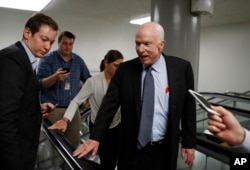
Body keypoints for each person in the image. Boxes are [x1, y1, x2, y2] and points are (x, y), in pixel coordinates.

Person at [72, 22, 196, 170]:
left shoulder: (181, 69)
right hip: (131, 150)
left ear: (161, 45)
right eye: (137, 43)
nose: (140, 49)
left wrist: (189, 142)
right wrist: (95, 137)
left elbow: (188, 108)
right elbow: (109, 105)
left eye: (146, 44)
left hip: (165, 149)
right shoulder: (125, 70)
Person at [0, 13, 58, 170]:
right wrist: (15, 163)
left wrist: (34, 109)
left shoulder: (25, 59)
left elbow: (15, 103)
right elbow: (4, 118)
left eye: (51, 42)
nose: (48, 47)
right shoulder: (13, 59)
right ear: (27, 33)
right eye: (44, 39)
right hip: (14, 157)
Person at [49, 49, 124, 170]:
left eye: (121, 66)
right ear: (106, 63)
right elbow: (76, 101)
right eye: (116, 65)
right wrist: (65, 119)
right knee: (104, 159)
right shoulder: (93, 82)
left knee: (114, 158)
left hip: (116, 126)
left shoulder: (121, 80)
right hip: (98, 127)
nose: (119, 69)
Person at [37, 31, 91, 148]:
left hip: (72, 109)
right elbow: (40, 84)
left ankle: (70, 166)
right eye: (65, 43)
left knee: (73, 144)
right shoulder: (47, 59)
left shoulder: (78, 61)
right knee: (51, 145)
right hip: (53, 109)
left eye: (70, 44)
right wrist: (55, 77)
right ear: (58, 43)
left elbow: (88, 80)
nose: (68, 47)